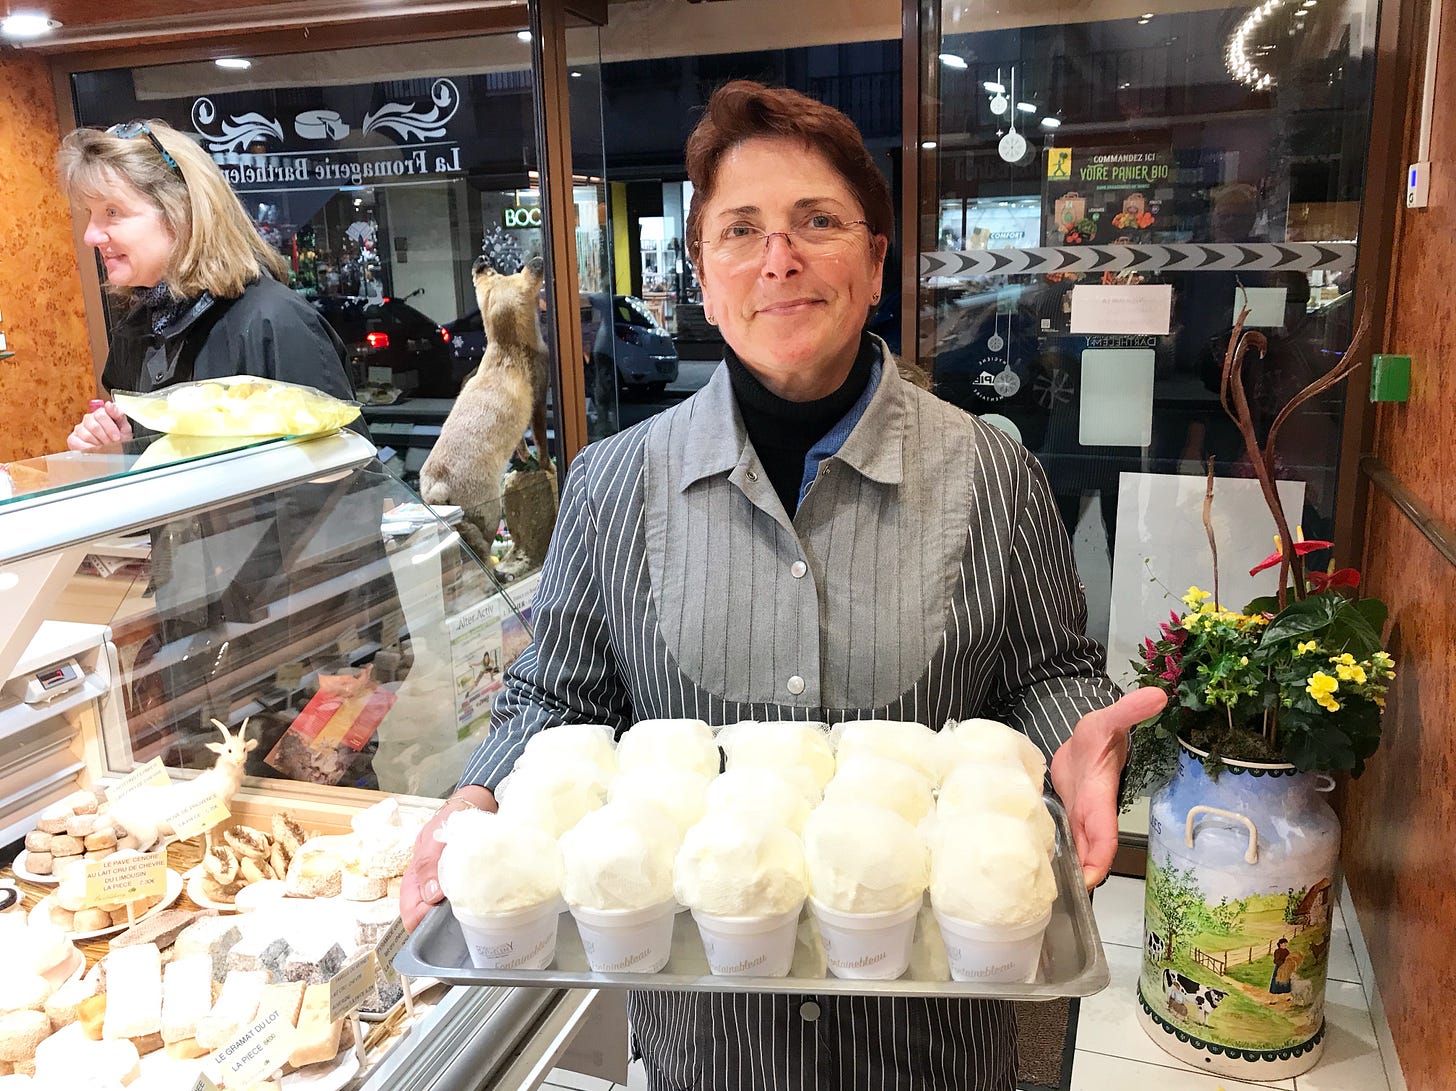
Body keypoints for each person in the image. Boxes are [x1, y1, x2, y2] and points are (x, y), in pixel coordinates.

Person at [401, 81, 1166, 1091]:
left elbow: (1045, 671)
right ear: (703, 274)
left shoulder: (991, 472)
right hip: (711, 1042)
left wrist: (1081, 735)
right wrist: (477, 789)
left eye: (818, 222)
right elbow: (560, 694)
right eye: (740, 230)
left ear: (876, 259)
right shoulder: (614, 483)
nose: (779, 259)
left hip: (931, 1040)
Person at [58, 120, 358, 451]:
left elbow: (349, 484)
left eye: (112, 212)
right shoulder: (137, 331)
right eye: (90, 213)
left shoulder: (275, 322)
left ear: (182, 211)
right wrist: (117, 451)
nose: (90, 236)